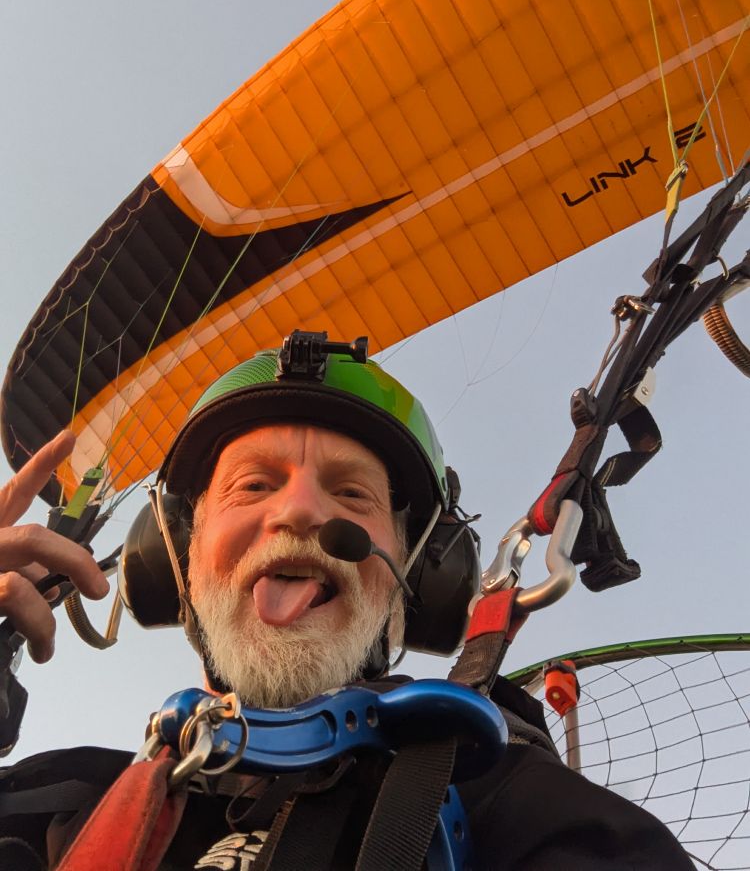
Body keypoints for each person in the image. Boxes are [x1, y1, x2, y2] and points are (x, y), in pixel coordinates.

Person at [0, 334, 694, 869]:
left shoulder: (492, 788)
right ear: (175, 555)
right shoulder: (59, 802)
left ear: (420, 579)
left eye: (352, 493)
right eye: (253, 485)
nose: (299, 510)